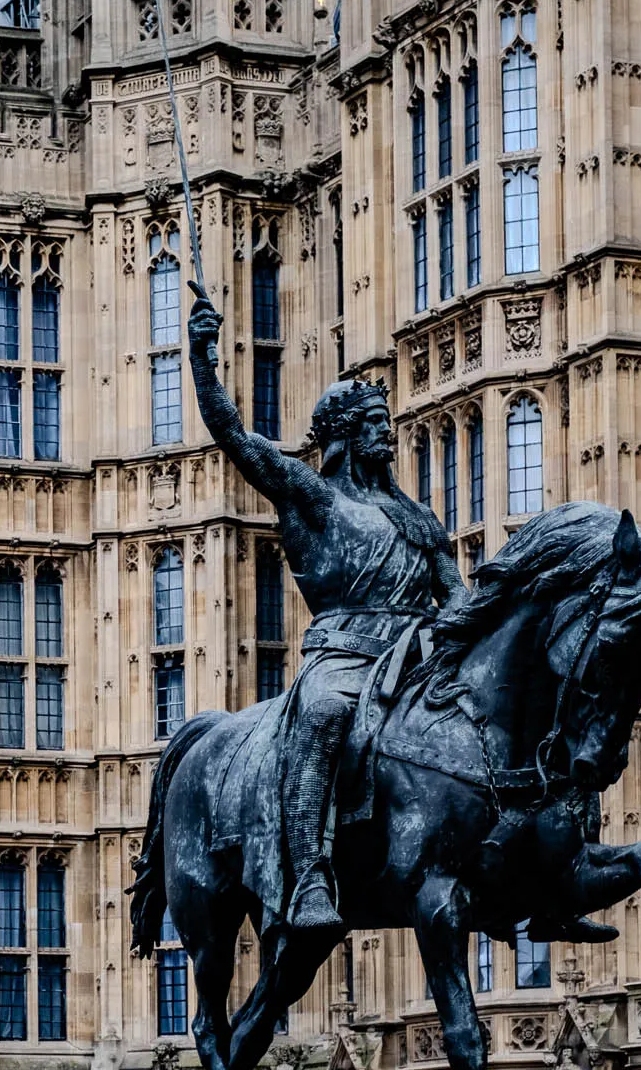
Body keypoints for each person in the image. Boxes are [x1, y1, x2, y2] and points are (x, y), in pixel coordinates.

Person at [188, 287, 460, 930]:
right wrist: (202, 359)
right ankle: (309, 877)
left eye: (385, 420)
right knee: (322, 713)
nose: (385, 432)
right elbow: (235, 436)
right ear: (340, 434)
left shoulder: (417, 517)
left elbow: (457, 594)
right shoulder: (314, 497)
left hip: (416, 655)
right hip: (343, 654)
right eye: (370, 422)